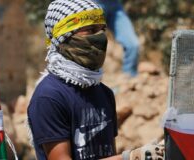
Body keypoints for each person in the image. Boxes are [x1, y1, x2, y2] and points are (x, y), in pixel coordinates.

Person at [27, 0, 164, 159]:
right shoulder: (49, 97)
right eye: (91, 29)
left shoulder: (104, 93)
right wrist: (132, 157)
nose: (100, 37)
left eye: (102, 29)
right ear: (64, 37)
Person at [94, 0, 139, 77]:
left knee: (133, 45)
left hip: (115, 5)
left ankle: (129, 81)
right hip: (93, 4)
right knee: (92, 45)